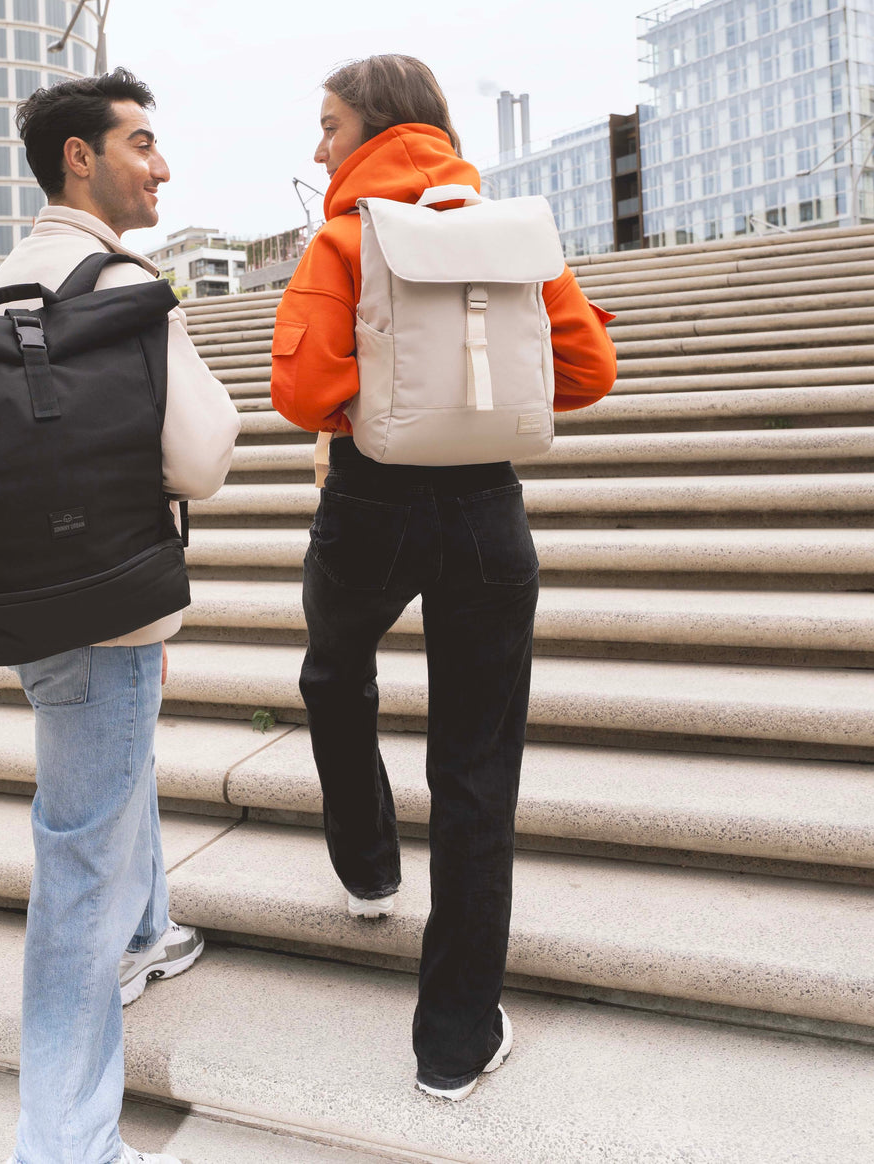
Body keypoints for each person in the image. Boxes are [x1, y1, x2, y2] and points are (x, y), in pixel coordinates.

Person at [270, 55, 617, 1103]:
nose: (318, 145)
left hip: (368, 502)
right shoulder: (514, 235)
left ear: (374, 127)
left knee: (334, 672)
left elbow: (303, 390)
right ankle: (455, 1042)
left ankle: (369, 864)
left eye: (329, 124)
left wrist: (375, 399)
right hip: (484, 510)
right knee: (476, 769)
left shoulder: (343, 238)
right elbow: (589, 371)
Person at [0, 70, 241, 1164]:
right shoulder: (120, 279)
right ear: (79, 158)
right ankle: (65, 1144)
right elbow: (202, 455)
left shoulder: (4, 279)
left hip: (33, 593)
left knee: (105, 783)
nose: (162, 166)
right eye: (141, 143)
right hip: (109, 597)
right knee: (77, 873)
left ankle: (151, 929)